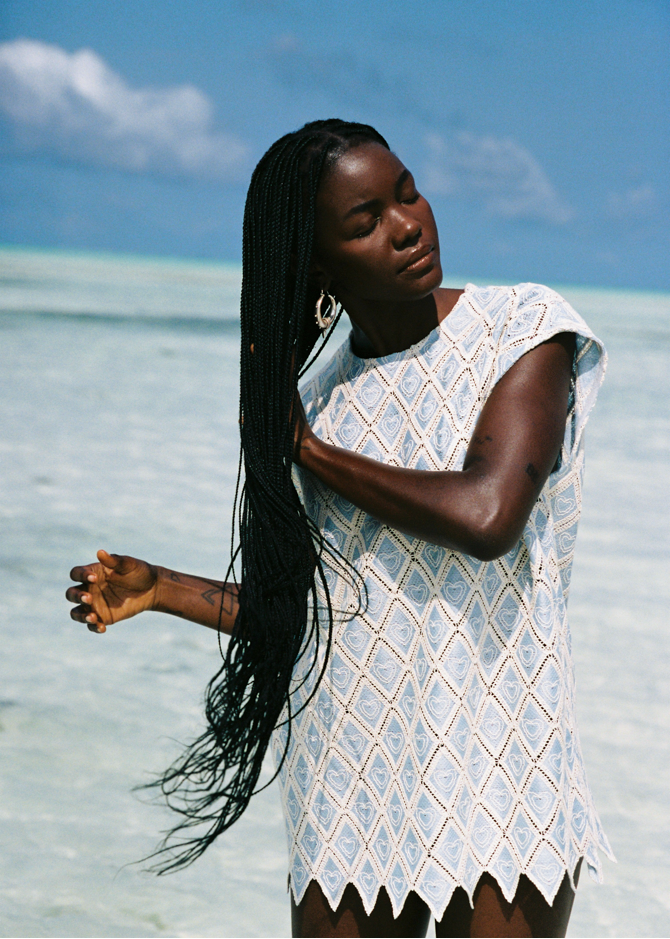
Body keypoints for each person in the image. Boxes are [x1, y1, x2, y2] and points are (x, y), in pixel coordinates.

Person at [66, 119, 613, 938]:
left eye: (407, 193)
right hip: (352, 772)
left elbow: (486, 515)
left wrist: (308, 452)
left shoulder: (524, 330)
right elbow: (327, 614)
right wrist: (165, 590)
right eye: (364, 223)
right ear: (319, 266)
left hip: (499, 761)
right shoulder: (320, 394)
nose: (407, 225)